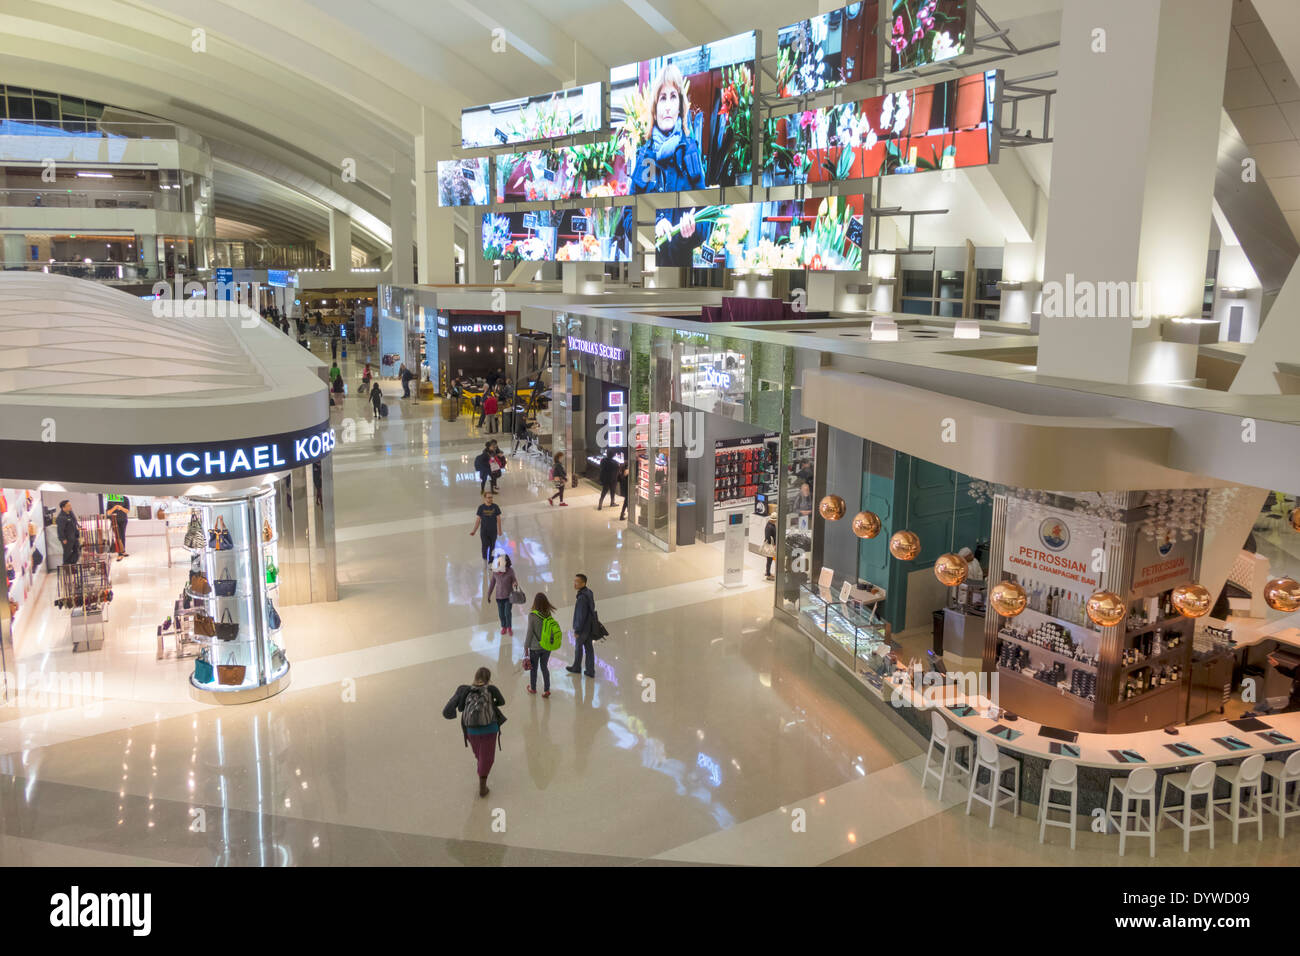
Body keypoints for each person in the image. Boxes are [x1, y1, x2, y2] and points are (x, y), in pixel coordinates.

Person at [632, 63, 705, 194]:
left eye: (673, 97)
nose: (668, 107)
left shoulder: (690, 152)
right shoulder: (646, 157)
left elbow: (703, 210)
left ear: (680, 108)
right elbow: (630, 212)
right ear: (654, 110)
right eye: (662, 98)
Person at [441, 666, 506, 797]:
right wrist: (490, 704)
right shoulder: (491, 689)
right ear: (488, 679)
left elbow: (460, 708)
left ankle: (481, 767)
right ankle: (483, 786)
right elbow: (502, 702)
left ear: (475, 677)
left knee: (479, 754)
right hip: (490, 729)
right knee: (487, 758)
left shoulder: (465, 690)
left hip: (471, 730)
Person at [524, 592, 562, 697]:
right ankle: (547, 690)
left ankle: (533, 688)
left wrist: (525, 647)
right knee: (544, 667)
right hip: (546, 647)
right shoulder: (548, 614)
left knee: (534, 669)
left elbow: (529, 633)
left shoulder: (532, 615)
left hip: (535, 648)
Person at [566, 573, 597, 678]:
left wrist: (577, 630)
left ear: (583, 583)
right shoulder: (589, 592)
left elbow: (580, 615)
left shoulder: (582, 598)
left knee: (578, 648)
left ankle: (576, 667)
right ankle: (590, 670)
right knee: (589, 649)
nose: (574, 584)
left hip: (583, 628)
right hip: (589, 626)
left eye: (577, 582)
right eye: (574, 581)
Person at [486, 553, 518, 636]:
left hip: (508, 596)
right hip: (499, 597)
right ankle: (504, 626)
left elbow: (514, 580)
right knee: (501, 614)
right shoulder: (495, 572)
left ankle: (509, 628)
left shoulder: (510, 571)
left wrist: (514, 584)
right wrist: (488, 595)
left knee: (507, 612)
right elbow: (492, 584)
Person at [469, 490, 502, 564]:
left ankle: (491, 561)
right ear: (485, 498)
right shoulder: (481, 508)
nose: (490, 499)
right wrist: (474, 531)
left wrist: (499, 530)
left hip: (493, 531)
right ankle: (484, 559)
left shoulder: (495, 507)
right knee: (485, 546)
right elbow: (478, 520)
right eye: (488, 497)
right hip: (484, 531)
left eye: (491, 497)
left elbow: (499, 519)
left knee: (492, 546)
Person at [105, 494, 131, 561]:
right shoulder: (110, 499)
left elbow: (127, 511)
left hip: (123, 520)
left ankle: (123, 551)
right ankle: (120, 554)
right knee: (117, 536)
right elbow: (108, 513)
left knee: (122, 535)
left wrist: (121, 507)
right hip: (114, 521)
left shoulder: (125, 499)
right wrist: (115, 507)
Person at [56, 499, 80, 566]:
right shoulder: (61, 517)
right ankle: (66, 568)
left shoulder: (70, 513)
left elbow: (74, 522)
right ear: (63, 508)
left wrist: (77, 531)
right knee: (67, 554)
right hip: (67, 539)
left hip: (74, 537)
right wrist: (63, 539)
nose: (70, 507)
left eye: (70, 505)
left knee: (77, 552)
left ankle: (73, 565)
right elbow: (60, 530)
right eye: (68, 506)